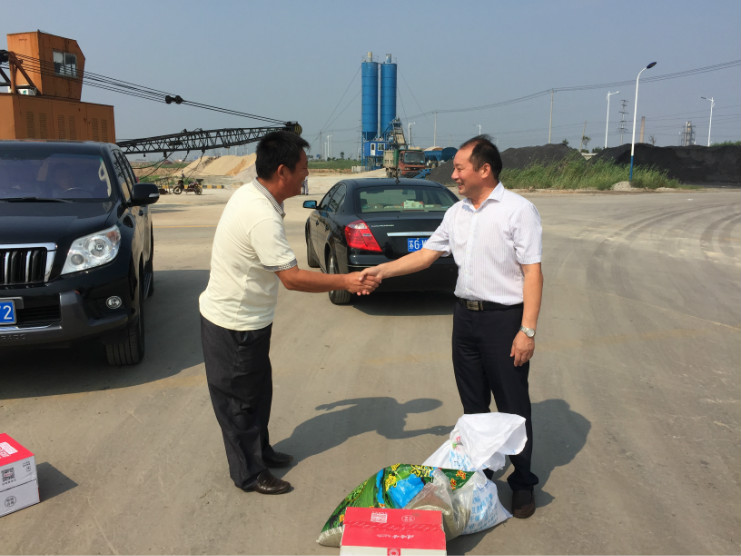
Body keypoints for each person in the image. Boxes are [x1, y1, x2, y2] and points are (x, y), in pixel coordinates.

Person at [361, 135, 543, 518]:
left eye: (460, 168)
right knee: (473, 404)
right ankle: (480, 473)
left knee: (513, 405)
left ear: (484, 169)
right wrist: (381, 271)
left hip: (503, 320)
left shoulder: (518, 211)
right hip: (465, 319)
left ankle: (523, 482)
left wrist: (527, 331)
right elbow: (427, 255)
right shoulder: (457, 212)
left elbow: (532, 272)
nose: (454, 175)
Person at [199, 131, 380, 495]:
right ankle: (249, 473)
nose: (306, 175)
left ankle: (260, 451)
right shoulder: (260, 214)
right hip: (234, 323)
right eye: (303, 168)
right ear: (282, 171)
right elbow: (292, 279)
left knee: (257, 392)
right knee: (240, 403)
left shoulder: (255, 196)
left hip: (250, 320)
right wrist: (346, 281)